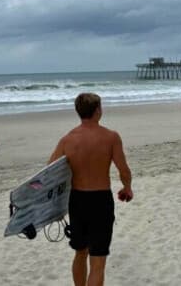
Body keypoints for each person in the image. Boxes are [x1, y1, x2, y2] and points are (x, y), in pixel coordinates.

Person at [49, 92, 133, 286]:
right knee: (98, 260)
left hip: (77, 201)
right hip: (100, 200)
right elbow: (124, 170)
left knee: (80, 252)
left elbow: (50, 172)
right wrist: (127, 187)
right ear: (97, 110)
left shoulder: (67, 140)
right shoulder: (111, 137)